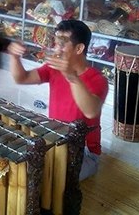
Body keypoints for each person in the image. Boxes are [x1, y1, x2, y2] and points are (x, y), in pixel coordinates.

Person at [8, 19, 108, 180]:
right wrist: (14, 57)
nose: (56, 49)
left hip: (85, 152)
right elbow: (22, 78)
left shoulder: (98, 79)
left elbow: (90, 111)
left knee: (47, 178)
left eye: (62, 44)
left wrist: (71, 76)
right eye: (55, 43)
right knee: (19, 163)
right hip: (55, 140)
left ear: (79, 48)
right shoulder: (54, 69)